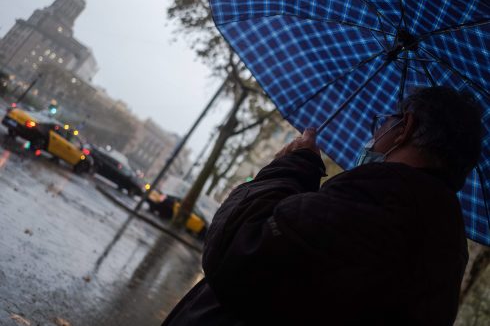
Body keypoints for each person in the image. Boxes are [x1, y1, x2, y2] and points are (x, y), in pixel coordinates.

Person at [162, 87, 483, 325]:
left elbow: (238, 245)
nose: (373, 137)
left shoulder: (381, 202)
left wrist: (291, 166)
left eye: (384, 123)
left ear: (406, 127)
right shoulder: (442, 245)